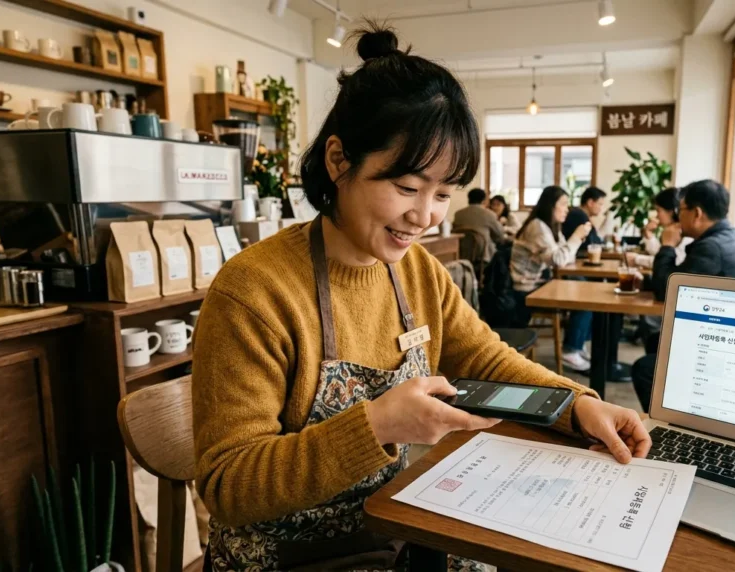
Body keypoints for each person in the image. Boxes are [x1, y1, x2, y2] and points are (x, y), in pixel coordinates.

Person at [192, 25, 649, 572]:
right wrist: (377, 426)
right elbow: (229, 485)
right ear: (338, 161)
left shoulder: (415, 270)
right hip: (282, 558)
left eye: (443, 193)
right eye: (407, 187)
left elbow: (485, 358)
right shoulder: (254, 291)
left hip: (390, 527)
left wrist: (577, 405)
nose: (425, 215)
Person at [631, 179, 735, 412]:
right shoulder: (728, 237)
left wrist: (667, 246)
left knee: (645, 369)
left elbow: (668, 291)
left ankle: (671, 420)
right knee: (656, 340)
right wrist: (649, 282)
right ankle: (680, 404)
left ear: (697, 213)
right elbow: (684, 278)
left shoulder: (711, 247)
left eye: (681, 209)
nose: (678, 215)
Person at [510, 185, 595, 372]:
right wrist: (576, 236)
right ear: (550, 205)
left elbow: (565, 258)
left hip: (540, 283)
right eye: (563, 204)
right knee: (585, 300)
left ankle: (577, 344)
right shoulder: (537, 227)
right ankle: (571, 349)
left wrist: (576, 240)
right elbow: (558, 260)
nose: (567, 209)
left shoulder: (551, 227)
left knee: (585, 290)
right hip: (525, 290)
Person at [625, 187, 689, 267]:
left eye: (658, 211)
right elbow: (661, 255)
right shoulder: (673, 231)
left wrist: (637, 259)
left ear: (671, 212)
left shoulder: (685, 233)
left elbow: (672, 263)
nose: (657, 215)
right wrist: (648, 233)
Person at [453, 187, 506, 262]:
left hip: (462, 253)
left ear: (469, 199)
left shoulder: (458, 214)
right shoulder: (489, 214)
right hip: (483, 254)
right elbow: (500, 235)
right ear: (484, 200)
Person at [561, 186, 607, 252]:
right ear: (590, 203)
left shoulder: (579, 214)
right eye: (600, 204)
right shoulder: (578, 216)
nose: (601, 208)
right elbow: (592, 243)